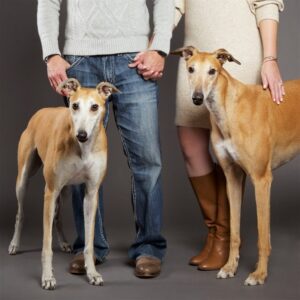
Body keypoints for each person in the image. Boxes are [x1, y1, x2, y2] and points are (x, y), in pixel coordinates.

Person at [37, 0, 174, 279]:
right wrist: (51, 53)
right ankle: (89, 247)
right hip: (80, 58)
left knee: (147, 160)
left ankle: (148, 246)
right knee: (77, 160)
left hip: (135, 58)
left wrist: (159, 47)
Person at [173, 0, 285, 270]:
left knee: (234, 157)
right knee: (191, 145)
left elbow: (267, 2)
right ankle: (216, 232)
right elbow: (173, 5)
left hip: (235, 54)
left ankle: (224, 240)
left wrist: (270, 58)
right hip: (194, 60)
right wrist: (155, 44)